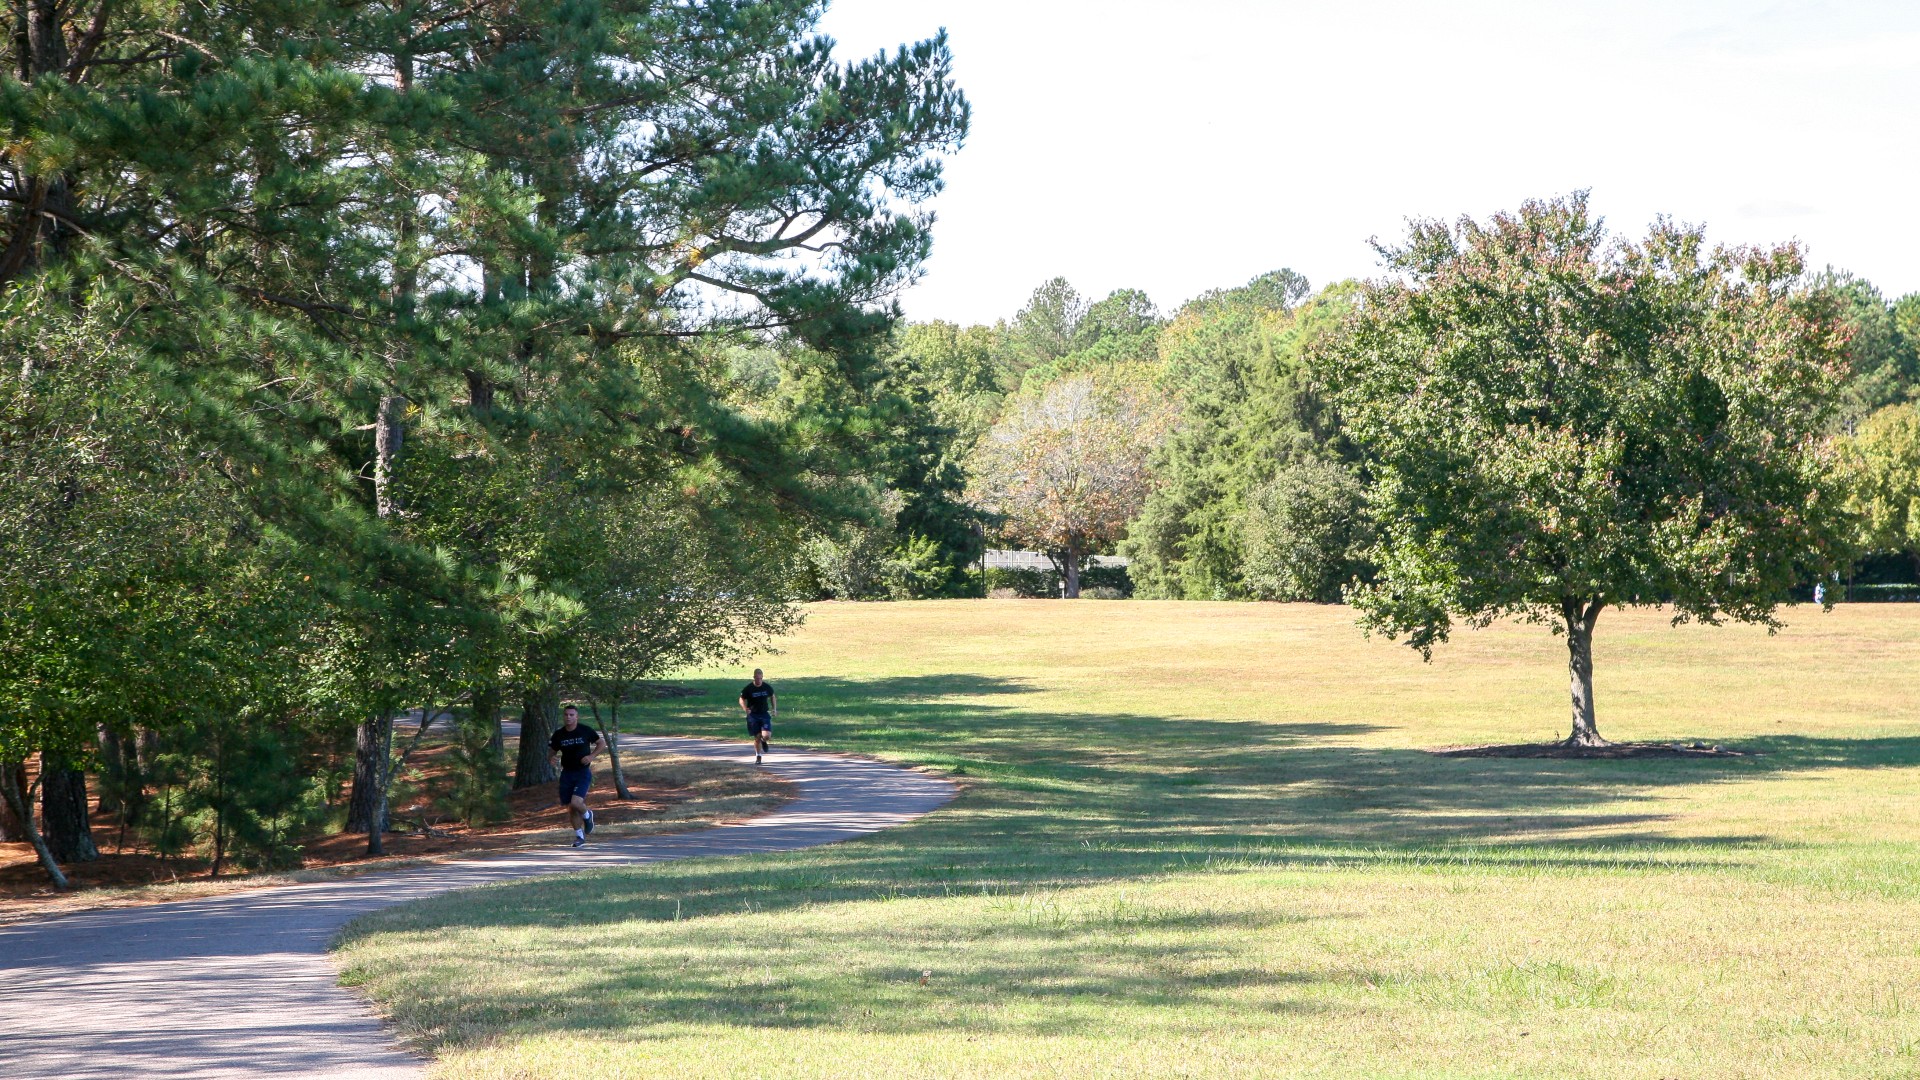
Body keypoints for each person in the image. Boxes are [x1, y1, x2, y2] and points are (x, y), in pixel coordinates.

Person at [548, 705, 601, 847]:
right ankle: (579, 837)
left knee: (576, 803)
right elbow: (552, 751)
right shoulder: (559, 735)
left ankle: (588, 816)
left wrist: (591, 756)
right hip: (567, 773)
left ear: (577, 717)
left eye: (571, 715)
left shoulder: (585, 730)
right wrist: (551, 758)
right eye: (566, 714)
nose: (568, 717)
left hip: (582, 772)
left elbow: (601, 743)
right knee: (571, 808)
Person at [739, 669, 777, 764]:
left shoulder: (766, 687)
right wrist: (745, 709)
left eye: (760, 678)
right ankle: (758, 756)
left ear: (762, 678)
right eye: (757, 678)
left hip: (764, 714)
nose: (759, 680)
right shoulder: (749, 688)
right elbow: (741, 699)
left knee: (766, 735)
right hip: (753, 715)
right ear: (754, 677)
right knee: (757, 737)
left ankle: (764, 741)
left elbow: (772, 696)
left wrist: (774, 708)